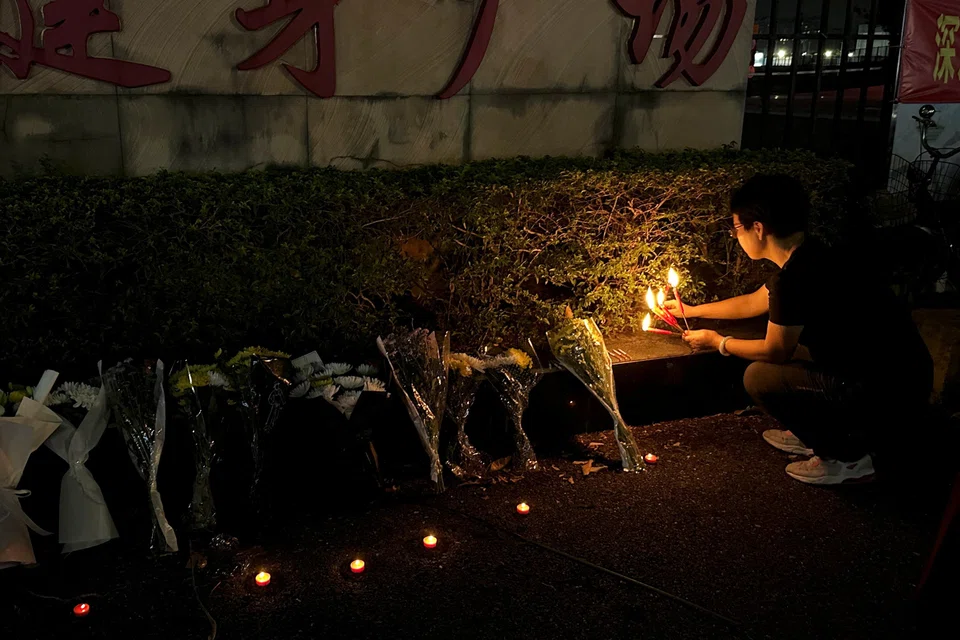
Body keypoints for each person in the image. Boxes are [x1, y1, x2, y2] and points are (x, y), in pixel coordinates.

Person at [669, 174, 933, 485]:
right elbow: (753, 303)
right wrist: (692, 311)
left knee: (759, 375)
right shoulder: (813, 253)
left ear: (758, 228)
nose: (735, 236)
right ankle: (813, 429)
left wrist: (719, 342)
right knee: (788, 349)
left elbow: (775, 351)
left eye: (737, 228)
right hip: (907, 373)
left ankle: (845, 457)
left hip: (886, 389)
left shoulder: (793, 280)